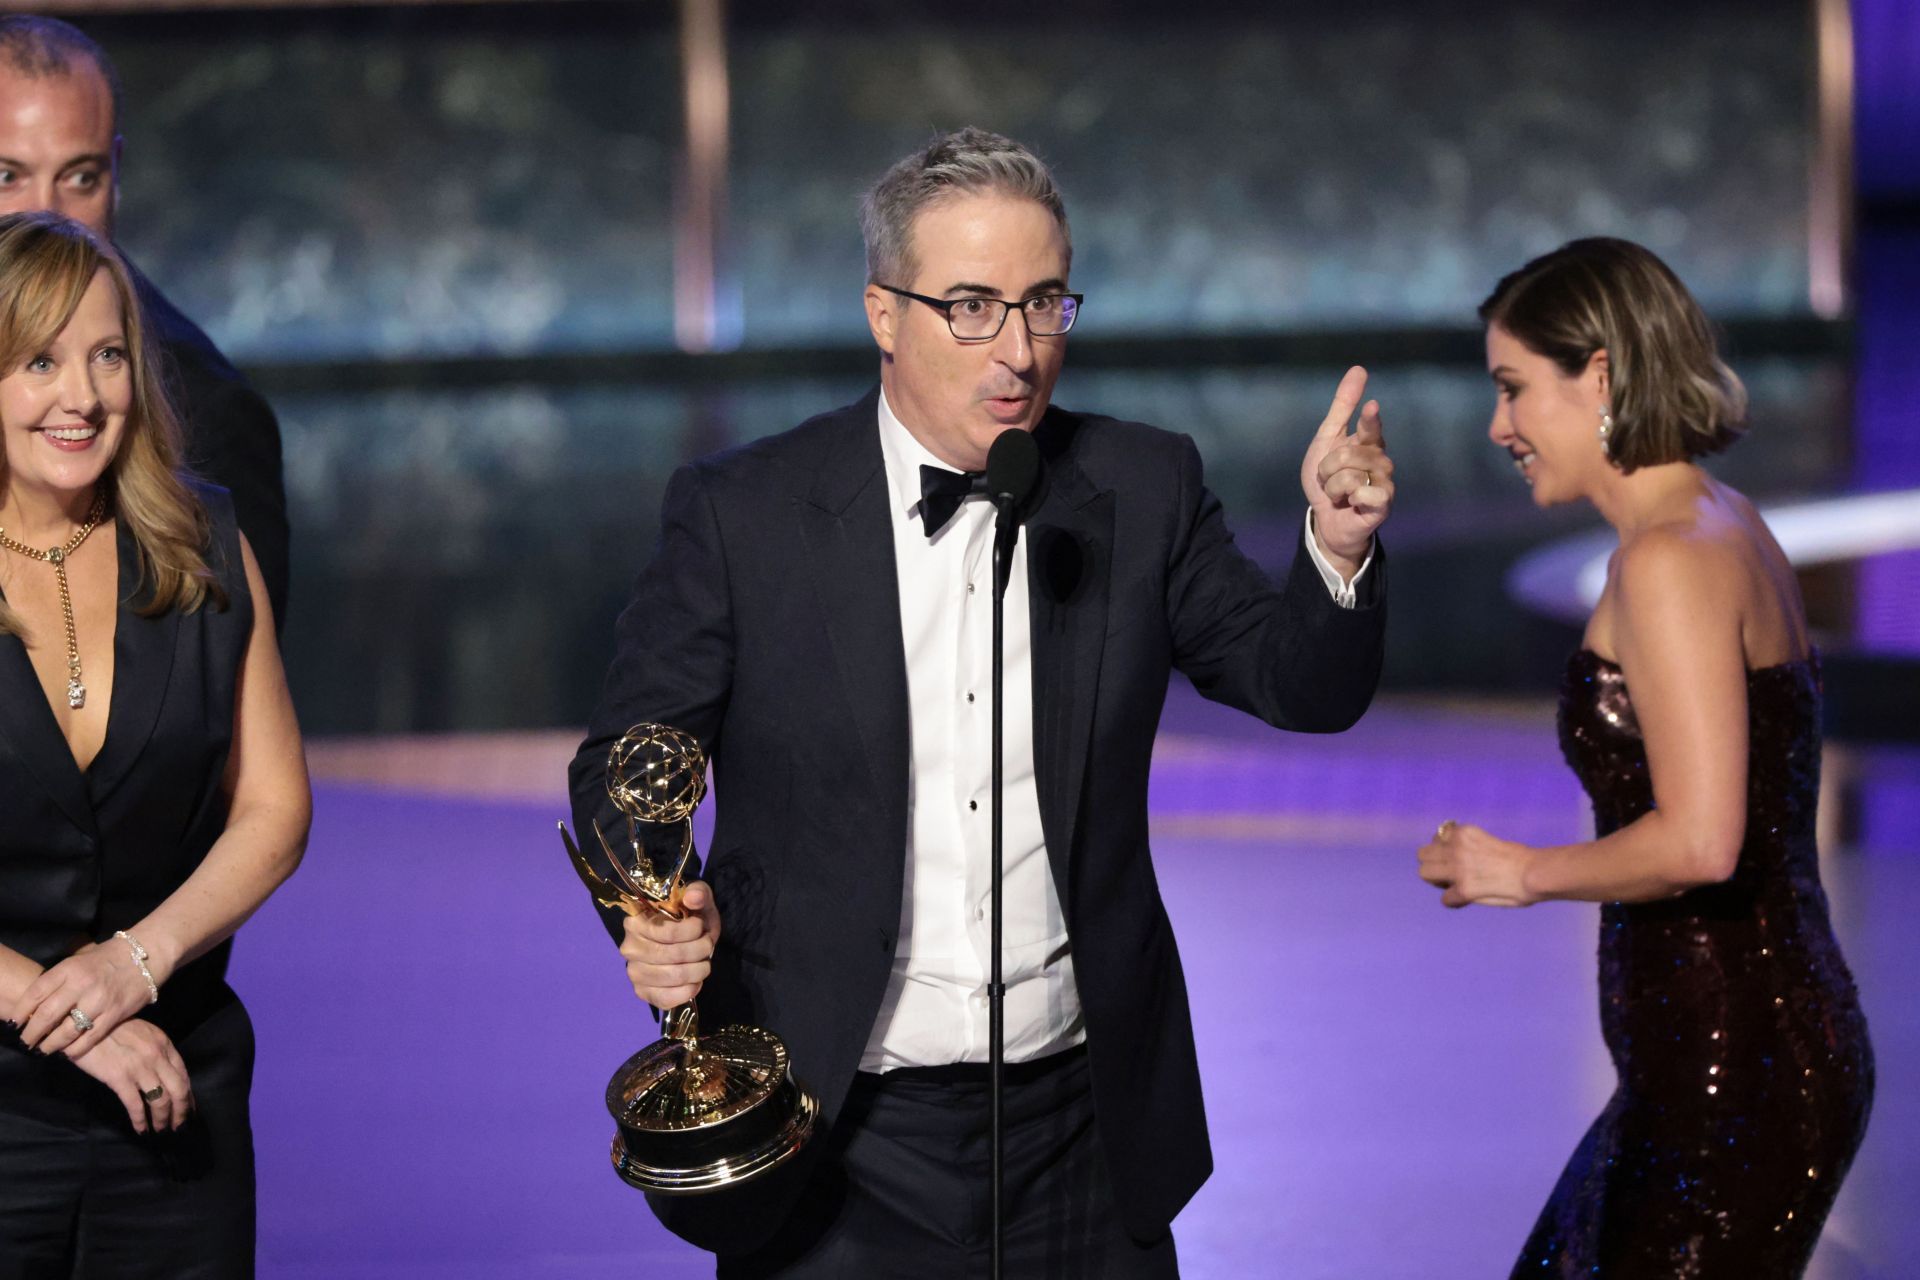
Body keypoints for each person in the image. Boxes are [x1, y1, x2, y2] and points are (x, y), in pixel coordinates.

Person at [570, 128, 1392, 1276]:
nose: (1017, 351)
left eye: (1044, 302)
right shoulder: (742, 513)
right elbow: (624, 764)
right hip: (832, 1123)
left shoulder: (1141, 486)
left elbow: (1296, 683)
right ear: (882, 313)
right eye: (971, 306)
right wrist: (654, 914)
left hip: (1083, 1126)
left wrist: (1337, 550)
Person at [1418, 237, 1873, 1277]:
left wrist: (1518, 870)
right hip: (1724, 1059)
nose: (1500, 426)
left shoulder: (1671, 560)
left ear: (1603, 375)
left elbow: (1703, 839)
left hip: (1737, 1075)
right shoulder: (1722, 521)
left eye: (1514, 389)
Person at [0, 212, 309, 1277]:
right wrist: (75, 1016)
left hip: (177, 1100)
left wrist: (139, 960)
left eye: (107, 354)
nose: (80, 396)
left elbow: (274, 810)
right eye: (38, 360)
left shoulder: (205, 539)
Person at [0, 15, 289, 630]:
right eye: (7, 177)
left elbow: (233, 691)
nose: (45, 214)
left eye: (80, 178)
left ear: (117, 174)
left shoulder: (206, 408)